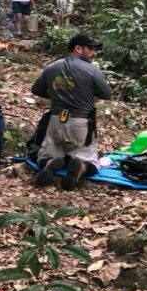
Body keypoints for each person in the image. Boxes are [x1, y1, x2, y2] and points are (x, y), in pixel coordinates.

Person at [31, 33, 112, 191]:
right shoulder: (91, 70)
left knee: (47, 154)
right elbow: (106, 94)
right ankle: (80, 165)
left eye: (95, 50)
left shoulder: (52, 67)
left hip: (56, 121)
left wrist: (54, 95)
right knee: (89, 159)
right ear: (78, 49)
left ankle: (49, 164)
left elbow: (36, 90)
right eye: (90, 49)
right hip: (80, 124)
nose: (94, 53)